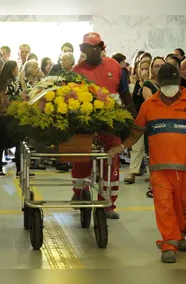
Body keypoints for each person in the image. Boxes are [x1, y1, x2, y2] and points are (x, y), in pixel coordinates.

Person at [108, 63, 186, 263]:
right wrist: (122, 147)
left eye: (173, 83)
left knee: (184, 207)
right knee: (164, 206)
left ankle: (181, 234)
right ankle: (168, 244)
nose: (170, 87)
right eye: (166, 84)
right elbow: (137, 132)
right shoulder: (149, 105)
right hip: (159, 169)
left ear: (179, 82)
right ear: (158, 83)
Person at [71, 32, 137, 219]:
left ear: (101, 48)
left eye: (95, 47)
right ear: (83, 49)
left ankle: (107, 203)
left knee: (110, 161)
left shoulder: (114, 67)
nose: (91, 51)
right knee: (81, 160)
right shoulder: (77, 71)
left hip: (111, 124)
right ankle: (79, 193)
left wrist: (134, 120)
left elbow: (125, 94)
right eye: (87, 47)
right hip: (84, 126)